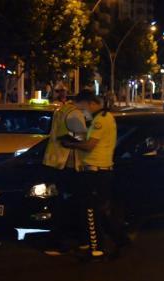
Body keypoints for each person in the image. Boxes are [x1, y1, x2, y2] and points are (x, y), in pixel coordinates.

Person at [61, 90, 126, 261]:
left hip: (96, 172)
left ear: (90, 103)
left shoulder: (102, 119)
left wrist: (70, 144)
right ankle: (118, 240)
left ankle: (97, 250)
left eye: (82, 108)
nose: (82, 112)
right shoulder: (99, 117)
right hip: (96, 171)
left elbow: (90, 145)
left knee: (91, 211)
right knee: (97, 211)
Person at [42, 91, 89, 256]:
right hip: (66, 165)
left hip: (53, 162)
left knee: (61, 203)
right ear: (84, 102)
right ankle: (65, 241)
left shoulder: (62, 110)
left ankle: (72, 239)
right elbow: (82, 137)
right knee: (70, 204)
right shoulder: (75, 114)